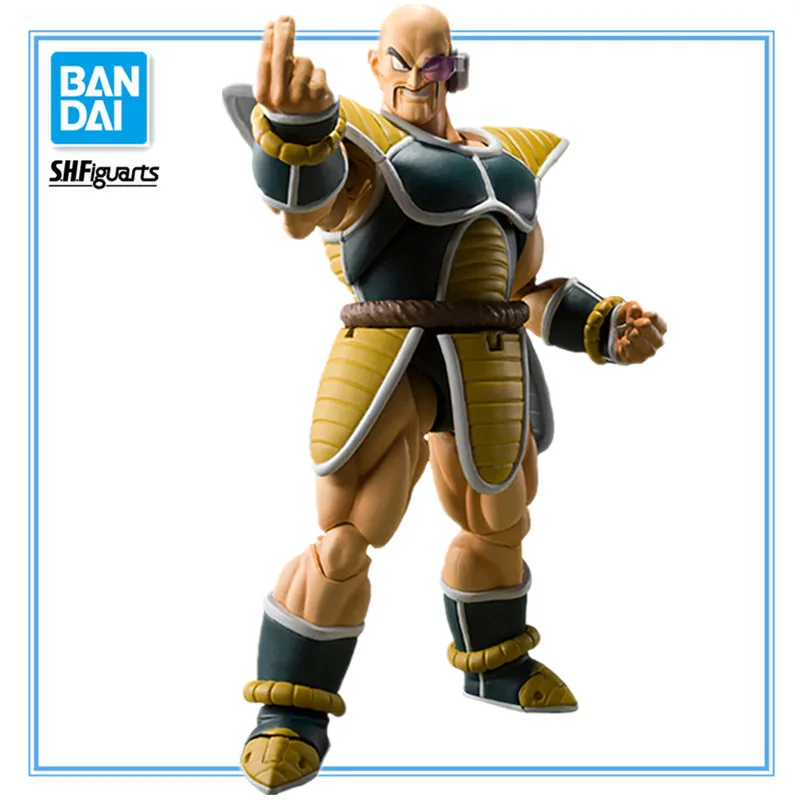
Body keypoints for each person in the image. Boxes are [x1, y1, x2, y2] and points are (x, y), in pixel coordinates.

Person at [222, 5, 667, 794]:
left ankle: (495, 663)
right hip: (392, 351)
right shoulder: (364, 143)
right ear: (375, 64)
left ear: (456, 67)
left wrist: (605, 326)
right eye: (405, 62)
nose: (423, 80)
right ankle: (290, 711)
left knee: (500, 517)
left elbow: (523, 289)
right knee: (348, 534)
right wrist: (297, 131)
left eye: (439, 65)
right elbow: (304, 212)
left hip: (488, 352)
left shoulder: (511, 160)